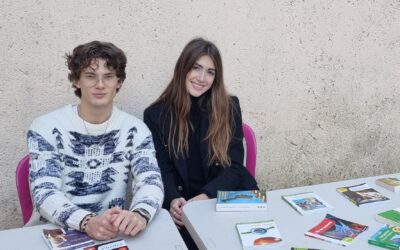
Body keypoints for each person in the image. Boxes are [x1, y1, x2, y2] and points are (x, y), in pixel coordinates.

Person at [27, 41, 164, 241]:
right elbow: (44, 192)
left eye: (108, 77)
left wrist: (139, 214)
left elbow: (151, 181)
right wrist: (86, 221)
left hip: (110, 234)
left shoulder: (135, 130)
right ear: (76, 80)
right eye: (91, 76)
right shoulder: (45, 127)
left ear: (119, 82)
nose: (100, 85)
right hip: (57, 232)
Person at [144, 37, 258, 249]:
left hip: (224, 196)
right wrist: (173, 199)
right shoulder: (156, 114)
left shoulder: (229, 107)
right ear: (183, 69)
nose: (202, 78)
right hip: (183, 206)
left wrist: (206, 196)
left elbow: (234, 168)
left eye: (210, 72)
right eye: (196, 68)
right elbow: (161, 168)